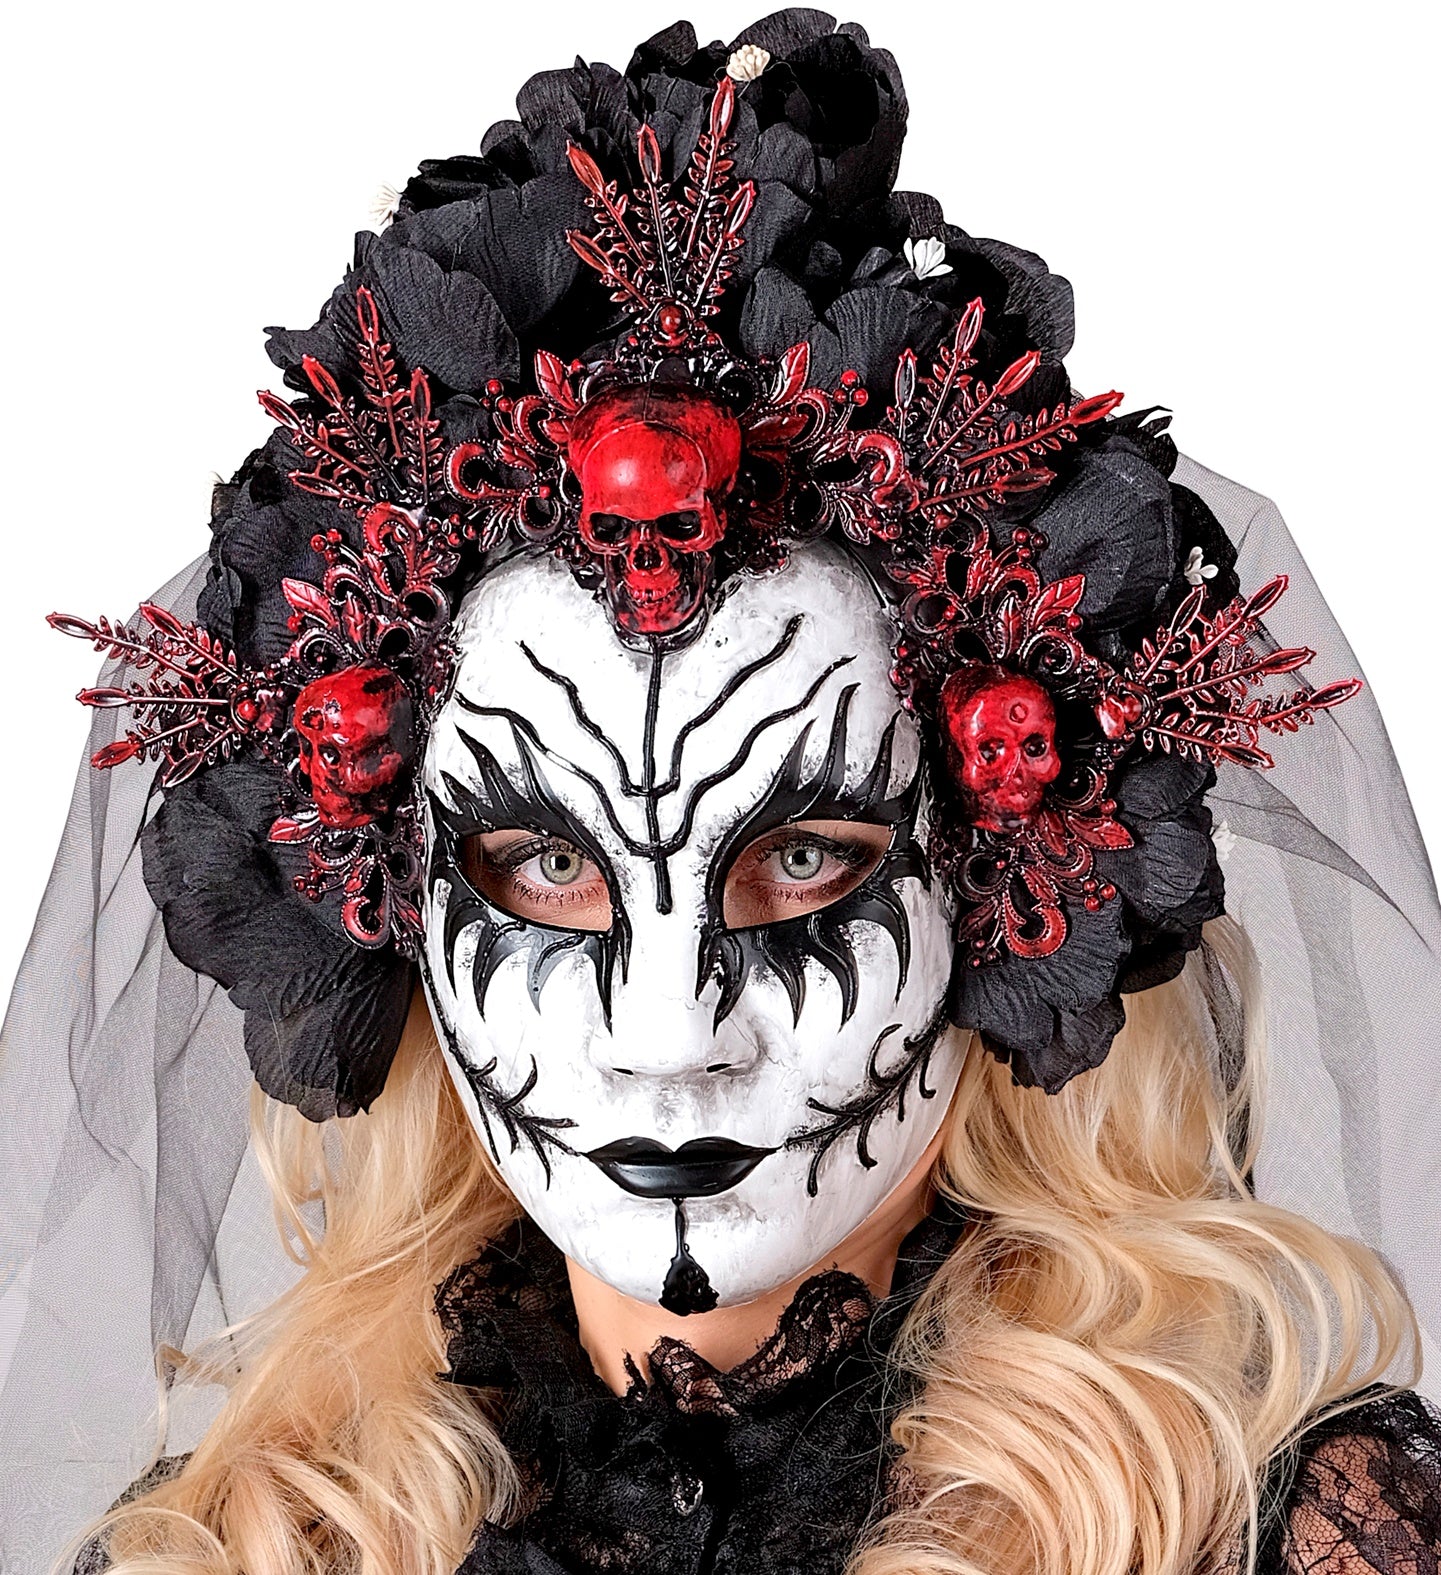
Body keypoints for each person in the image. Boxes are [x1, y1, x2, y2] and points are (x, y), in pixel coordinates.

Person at [2, 12, 1438, 1574]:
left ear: (1009, 894)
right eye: (545, 868)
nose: (669, 1037)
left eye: (807, 859)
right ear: (382, 901)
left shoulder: (1269, 1534)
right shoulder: (254, 1546)